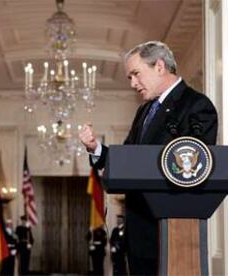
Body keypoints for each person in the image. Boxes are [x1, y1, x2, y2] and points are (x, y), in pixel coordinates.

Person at [79, 41, 218, 275]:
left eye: (136, 74)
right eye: (129, 78)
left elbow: (195, 167)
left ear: (160, 66)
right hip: (139, 233)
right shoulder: (144, 111)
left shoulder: (196, 105)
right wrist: (96, 149)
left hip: (172, 232)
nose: (133, 84)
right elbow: (129, 159)